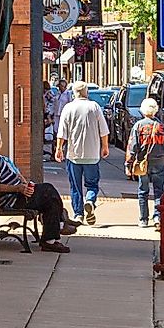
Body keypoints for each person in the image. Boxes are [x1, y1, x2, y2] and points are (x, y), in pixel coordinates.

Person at [0, 125, 70, 252]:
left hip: (18, 193)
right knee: (49, 193)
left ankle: (57, 227)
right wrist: (18, 188)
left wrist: (22, 183)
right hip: (12, 199)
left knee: (48, 193)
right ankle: (53, 235)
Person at [56, 80, 110, 225]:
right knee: (92, 184)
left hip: (74, 155)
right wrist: (105, 146)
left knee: (75, 186)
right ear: (87, 92)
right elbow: (104, 130)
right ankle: (90, 201)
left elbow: (62, 132)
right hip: (92, 155)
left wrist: (58, 148)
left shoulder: (68, 108)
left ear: (73, 93)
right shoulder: (94, 107)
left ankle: (78, 214)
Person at [127, 96, 164, 225]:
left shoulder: (138, 126)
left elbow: (133, 146)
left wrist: (129, 162)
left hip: (143, 162)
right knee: (159, 191)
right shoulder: (161, 126)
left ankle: (143, 219)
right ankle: (157, 217)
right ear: (156, 110)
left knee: (143, 191)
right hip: (159, 161)